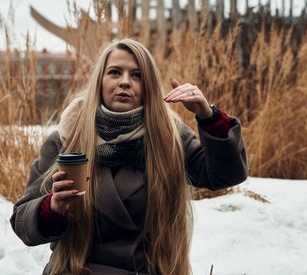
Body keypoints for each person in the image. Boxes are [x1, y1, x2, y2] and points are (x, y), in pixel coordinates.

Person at [10, 38, 248, 275]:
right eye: (114, 72)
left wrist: (208, 116)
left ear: (149, 86)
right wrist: (52, 207)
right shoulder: (67, 138)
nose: (125, 82)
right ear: (99, 82)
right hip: (76, 268)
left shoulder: (168, 136)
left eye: (137, 75)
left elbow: (226, 175)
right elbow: (22, 221)